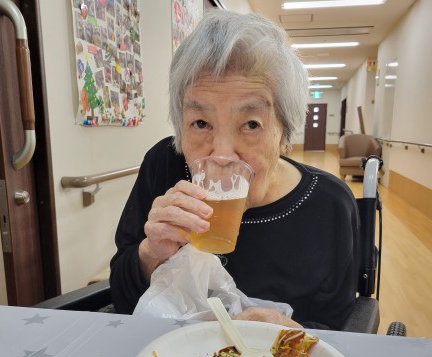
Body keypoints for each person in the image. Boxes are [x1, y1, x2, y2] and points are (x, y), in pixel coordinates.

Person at [110, 10, 359, 330]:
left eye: (251, 124)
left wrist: (289, 332)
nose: (223, 155)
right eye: (201, 123)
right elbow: (122, 298)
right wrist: (150, 254)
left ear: (284, 134)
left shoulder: (329, 204)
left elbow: (338, 329)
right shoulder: (163, 165)